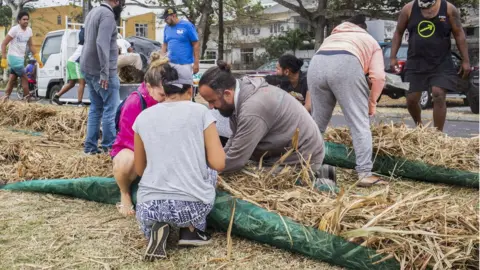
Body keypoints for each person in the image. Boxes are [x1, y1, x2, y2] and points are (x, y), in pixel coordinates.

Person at [133, 64, 225, 260]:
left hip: (149, 206)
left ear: (163, 89)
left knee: (153, 189)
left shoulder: (143, 117)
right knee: (210, 172)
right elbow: (218, 163)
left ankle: (157, 226)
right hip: (189, 207)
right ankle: (191, 230)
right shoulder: (200, 113)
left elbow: (140, 169)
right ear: (190, 90)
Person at [198, 61, 336, 184]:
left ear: (227, 93)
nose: (210, 107)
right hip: (282, 153)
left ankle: (319, 182)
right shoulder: (242, 93)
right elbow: (235, 139)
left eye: (212, 101)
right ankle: (319, 172)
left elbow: (237, 159)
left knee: (245, 178)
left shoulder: (252, 108)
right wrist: (216, 160)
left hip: (301, 159)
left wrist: (204, 173)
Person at [307, 15, 386, 187]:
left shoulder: (331, 37)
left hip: (316, 65)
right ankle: (364, 173)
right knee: (359, 123)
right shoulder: (369, 40)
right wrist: (371, 103)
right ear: (363, 28)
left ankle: (307, 168)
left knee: (317, 124)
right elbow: (378, 77)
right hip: (347, 63)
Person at [390, 0, 470, 131]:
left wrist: (465, 60)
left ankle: (437, 134)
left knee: (438, 94)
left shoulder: (449, 9)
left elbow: (459, 33)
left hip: (441, 63)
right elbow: (398, 32)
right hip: (415, 62)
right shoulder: (408, 9)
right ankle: (420, 127)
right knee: (411, 99)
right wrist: (393, 57)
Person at [111, 52, 169, 216]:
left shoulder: (171, 99)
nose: (166, 100)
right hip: (134, 148)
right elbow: (129, 140)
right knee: (127, 162)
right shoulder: (135, 102)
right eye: (162, 95)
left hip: (160, 148)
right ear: (149, 86)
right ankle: (124, 192)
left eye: (169, 94)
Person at [81, 0, 125, 154]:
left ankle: (90, 148)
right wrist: (105, 72)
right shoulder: (107, 14)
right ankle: (109, 147)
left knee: (96, 108)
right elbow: (101, 43)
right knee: (110, 109)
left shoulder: (93, 12)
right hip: (102, 71)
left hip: (88, 68)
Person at [0, 11, 43, 102]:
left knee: (12, 79)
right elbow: (4, 44)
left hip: (20, 58)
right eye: (24, 19)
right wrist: (3, 58)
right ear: (19, 21)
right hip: (13, 57)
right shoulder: (15, 30)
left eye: (27, 19)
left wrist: (38, 58)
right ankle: (28, 99)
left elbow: (31, 45)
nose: (26, 21)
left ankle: (5, 98)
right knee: (24, 78)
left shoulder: (29, 30)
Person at [161, 7, 200, 84]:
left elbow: (196, 44)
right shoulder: (166, 28)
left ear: (174, 16)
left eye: (167, 18)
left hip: (185, 64)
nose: (165, 20)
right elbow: (165, 44)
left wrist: (196, 63)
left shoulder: (187, 26)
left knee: (185, 89)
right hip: (170, 64)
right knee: (171, 90)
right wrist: (161, 59)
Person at [52, 27, 86, 106]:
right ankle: (79, 102)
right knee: (82, 82)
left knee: (71, 83)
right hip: (75, 63)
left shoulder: (82, 45)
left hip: (70, 62)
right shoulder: (85, 46)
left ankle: (56, 96)